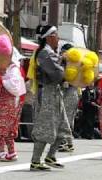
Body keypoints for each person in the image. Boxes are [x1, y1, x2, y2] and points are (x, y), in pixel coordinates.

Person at [30, 25, 67, 171]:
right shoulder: (44, 53)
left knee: (63, 126)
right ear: (50, 37)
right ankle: (35, 160)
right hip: (46, 93)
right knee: (45, 127)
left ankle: (51, 156)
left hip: (55, 92)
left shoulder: (51, 52)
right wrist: (65, 63)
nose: (58, 38)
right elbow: (57, 73)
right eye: (56, 35)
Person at [0, 48, 26, 161]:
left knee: (3, 125)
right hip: (9, 99)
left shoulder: (14, 69)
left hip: (10, 100)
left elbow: (14, 87)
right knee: (7, 127)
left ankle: (1, 151)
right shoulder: (10, 69)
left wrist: (2, 80)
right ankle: (11, 152)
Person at [58, 43, 78, 152]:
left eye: (64, 51)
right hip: (63, 92)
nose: (62, 53)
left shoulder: (75, 64)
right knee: (64, 117)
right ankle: (68, 142)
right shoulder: (62, 62)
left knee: (66, 118)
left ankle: (65, 142)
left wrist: (68, 82)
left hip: (71, 92)